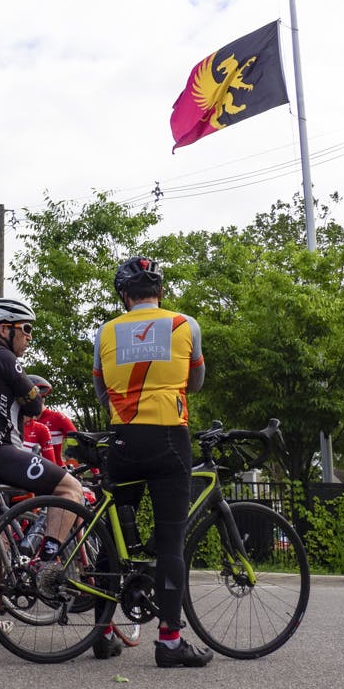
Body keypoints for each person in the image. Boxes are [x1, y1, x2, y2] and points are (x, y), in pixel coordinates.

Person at [92, 256, 212, 667]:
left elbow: (101, 392)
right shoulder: (185, 324)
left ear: (124, 296)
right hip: (168, 437)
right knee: (170, 541)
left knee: (112, 536)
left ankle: (103, 633)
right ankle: (170, 641)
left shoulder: (105, 331)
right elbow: (194, 382)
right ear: (159, 292)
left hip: (123, 439)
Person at [0, 298, 83, 557]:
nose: (29, 337)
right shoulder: (3, 355)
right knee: (71, 488)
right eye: (26, 328)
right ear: (4, 329)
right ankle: (46, 558)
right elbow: (35, 406)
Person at [27, 374, 77, 468]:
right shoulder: (20, 421)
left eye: (39, 399)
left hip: (57, 472)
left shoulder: (58, 418)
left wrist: (97, 474)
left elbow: (81, 445)